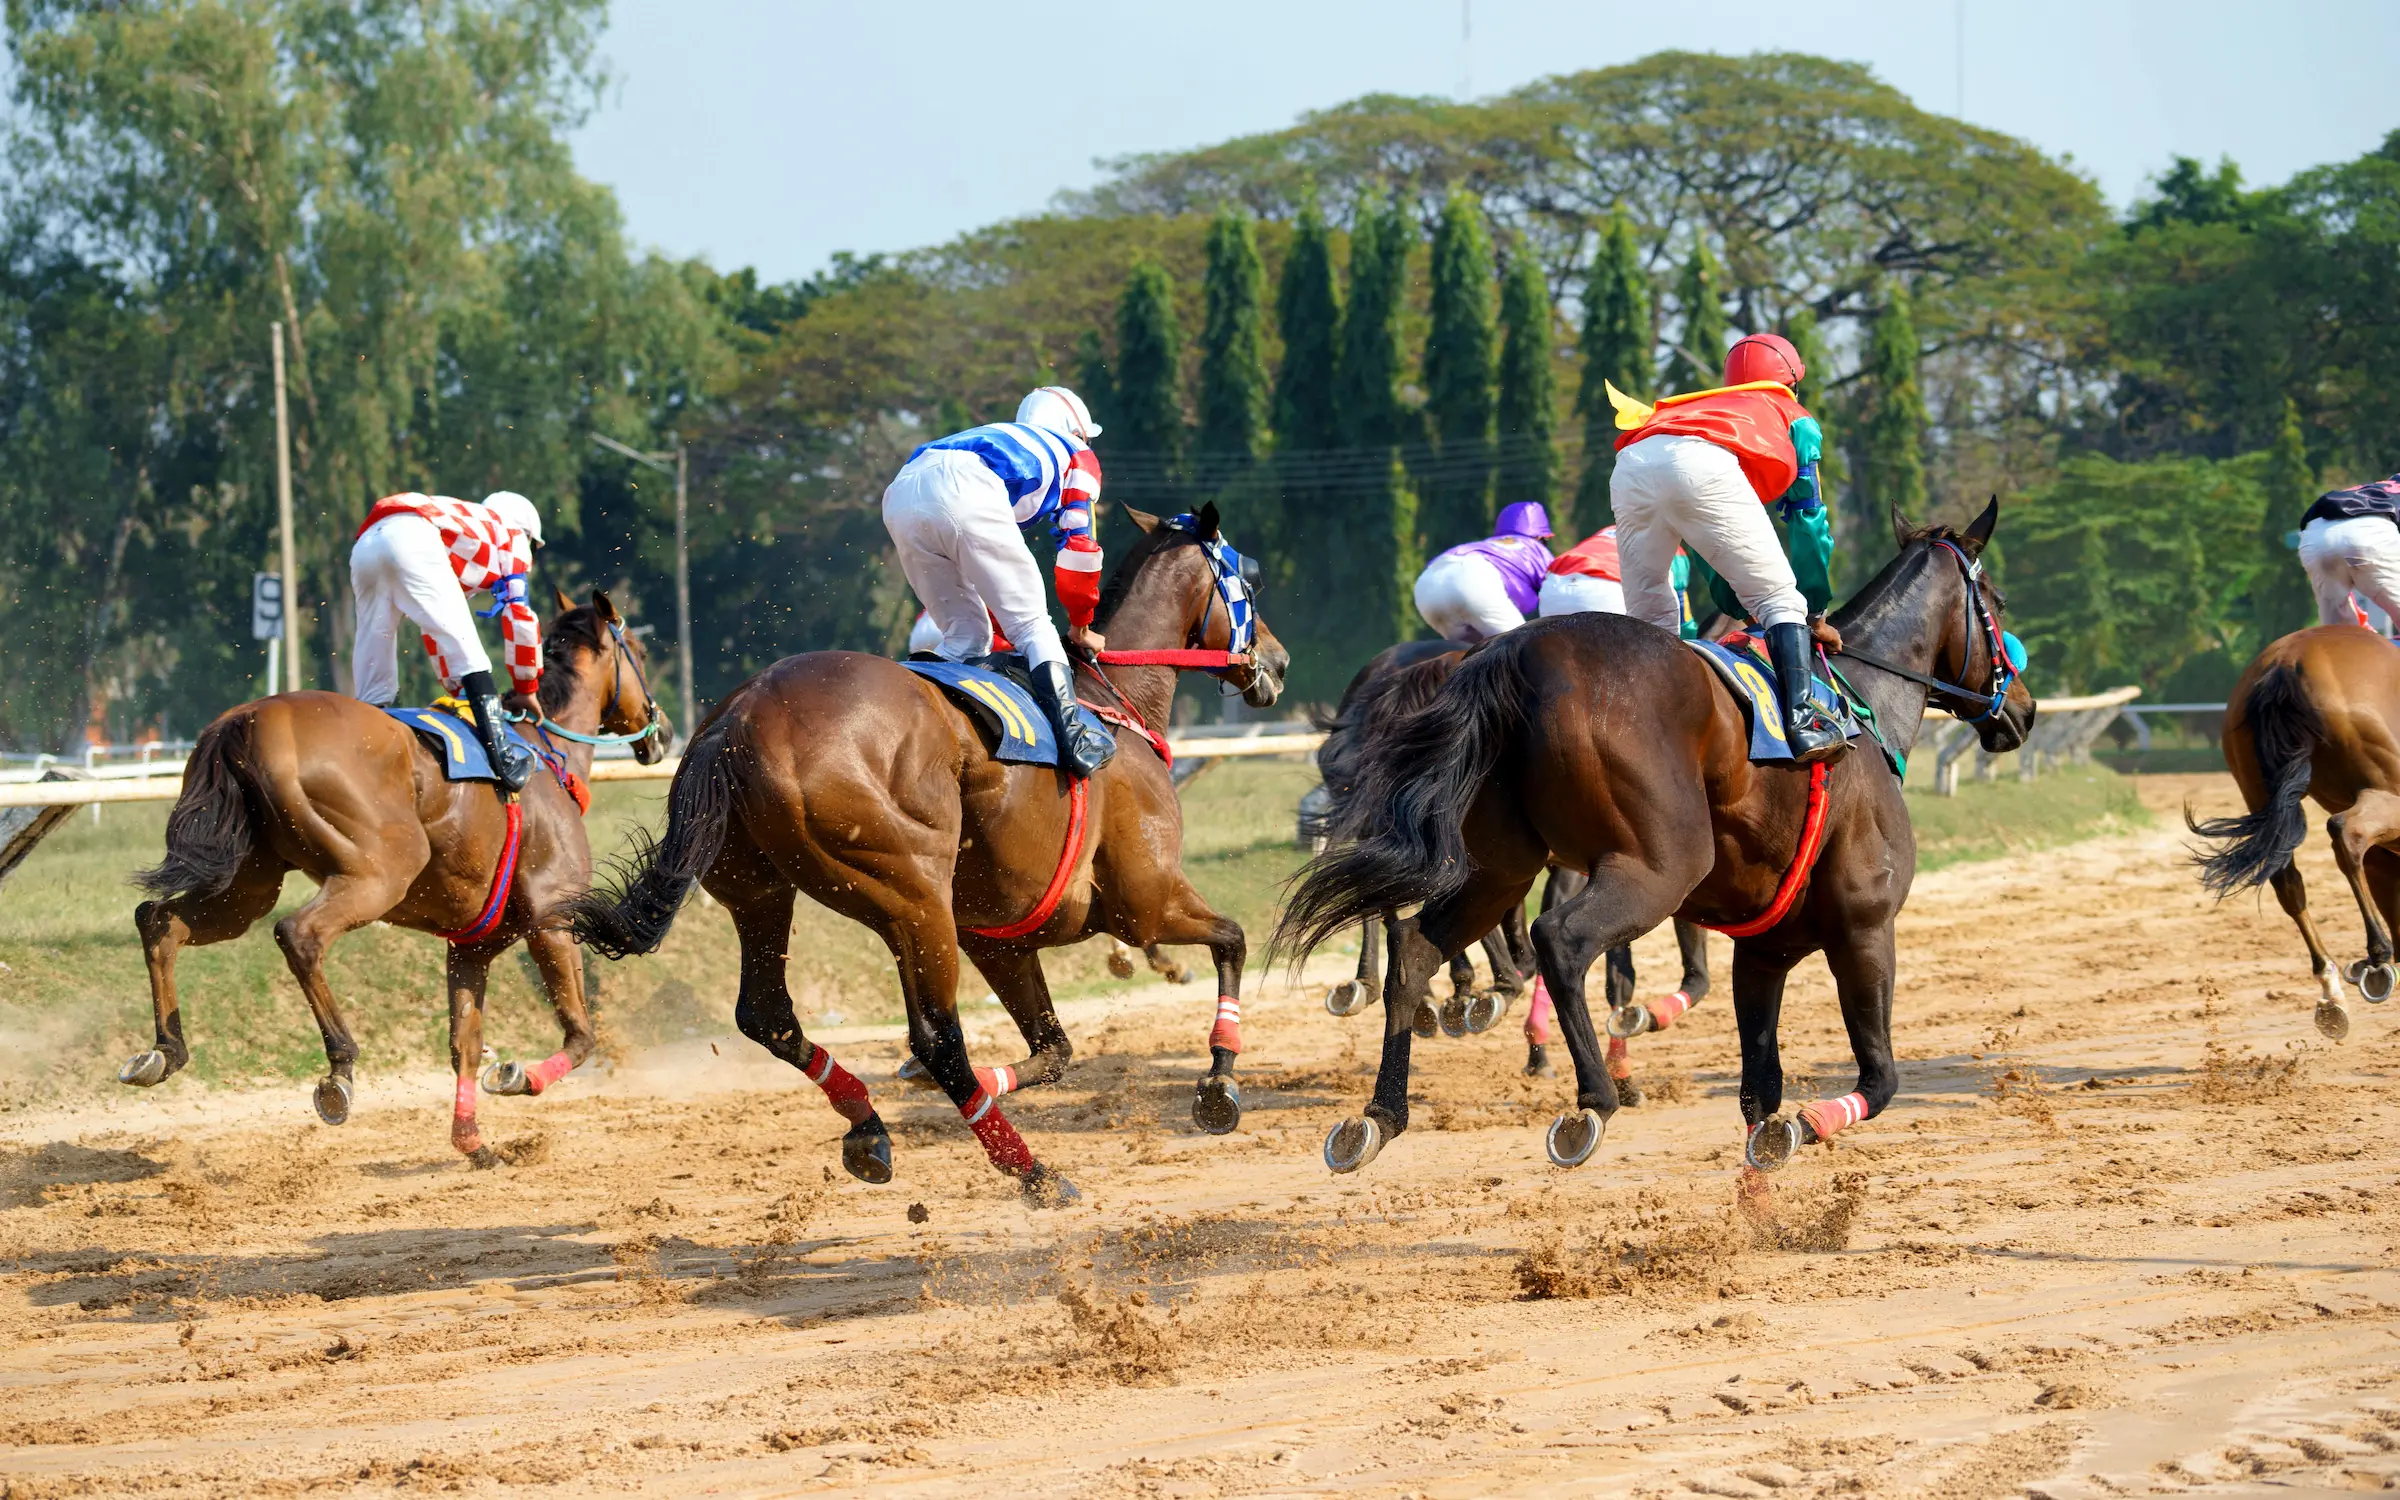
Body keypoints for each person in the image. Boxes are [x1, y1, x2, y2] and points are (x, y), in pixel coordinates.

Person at [1607, 331, 1844, 762]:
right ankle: (1804, 724)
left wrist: (1732, 599)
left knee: (1652, 618)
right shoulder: (1793, 415)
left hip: (1632, 461)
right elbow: (1810, 522)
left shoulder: (1697, 406)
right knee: (1779, 598)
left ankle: (1639, 730)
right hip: (1699, 465)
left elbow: (1702, 537)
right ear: (1791, 381)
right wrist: (1814, 609)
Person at [883, 387, 1115, 778]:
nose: (1087, 443)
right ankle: (1074, 741)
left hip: (901, 491)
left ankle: (905, 717)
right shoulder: (1077, 453)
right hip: (966, 488)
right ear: (1075, 430)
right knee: (1032, 625)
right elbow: (1080, 548)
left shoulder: (993, 435)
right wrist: (1081, 626)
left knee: (965, 637)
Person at [350, 490, 545, 793]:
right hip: (411, 536)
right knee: (473, 654)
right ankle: (503, 760)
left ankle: (359, 748)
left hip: (366, 542)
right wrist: (526, 688)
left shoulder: (466, 531)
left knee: (374, 661)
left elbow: (434, 629)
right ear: (529, 534)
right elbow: (520, 619)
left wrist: (459, 691)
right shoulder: (512, 534)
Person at [1412, 501, 1556, 643]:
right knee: (1522, 649)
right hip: (1471, 581)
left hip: (1427, 585)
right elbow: (1559, 594)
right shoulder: (1536, 548)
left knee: (1469, 658)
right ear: (1539, 537)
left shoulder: (1487, 545)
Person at [1540, 524, 1698, 634]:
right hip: (1607, 591)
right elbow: (1683, 620)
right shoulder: (1675, 550)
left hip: (1553, 588)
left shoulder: (1606, 532)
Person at [2297, 473, 2400, 635]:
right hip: (2370, 530)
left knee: (2341, 636)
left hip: (2315, 535)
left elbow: (2342, 541)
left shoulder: (2375, 487)